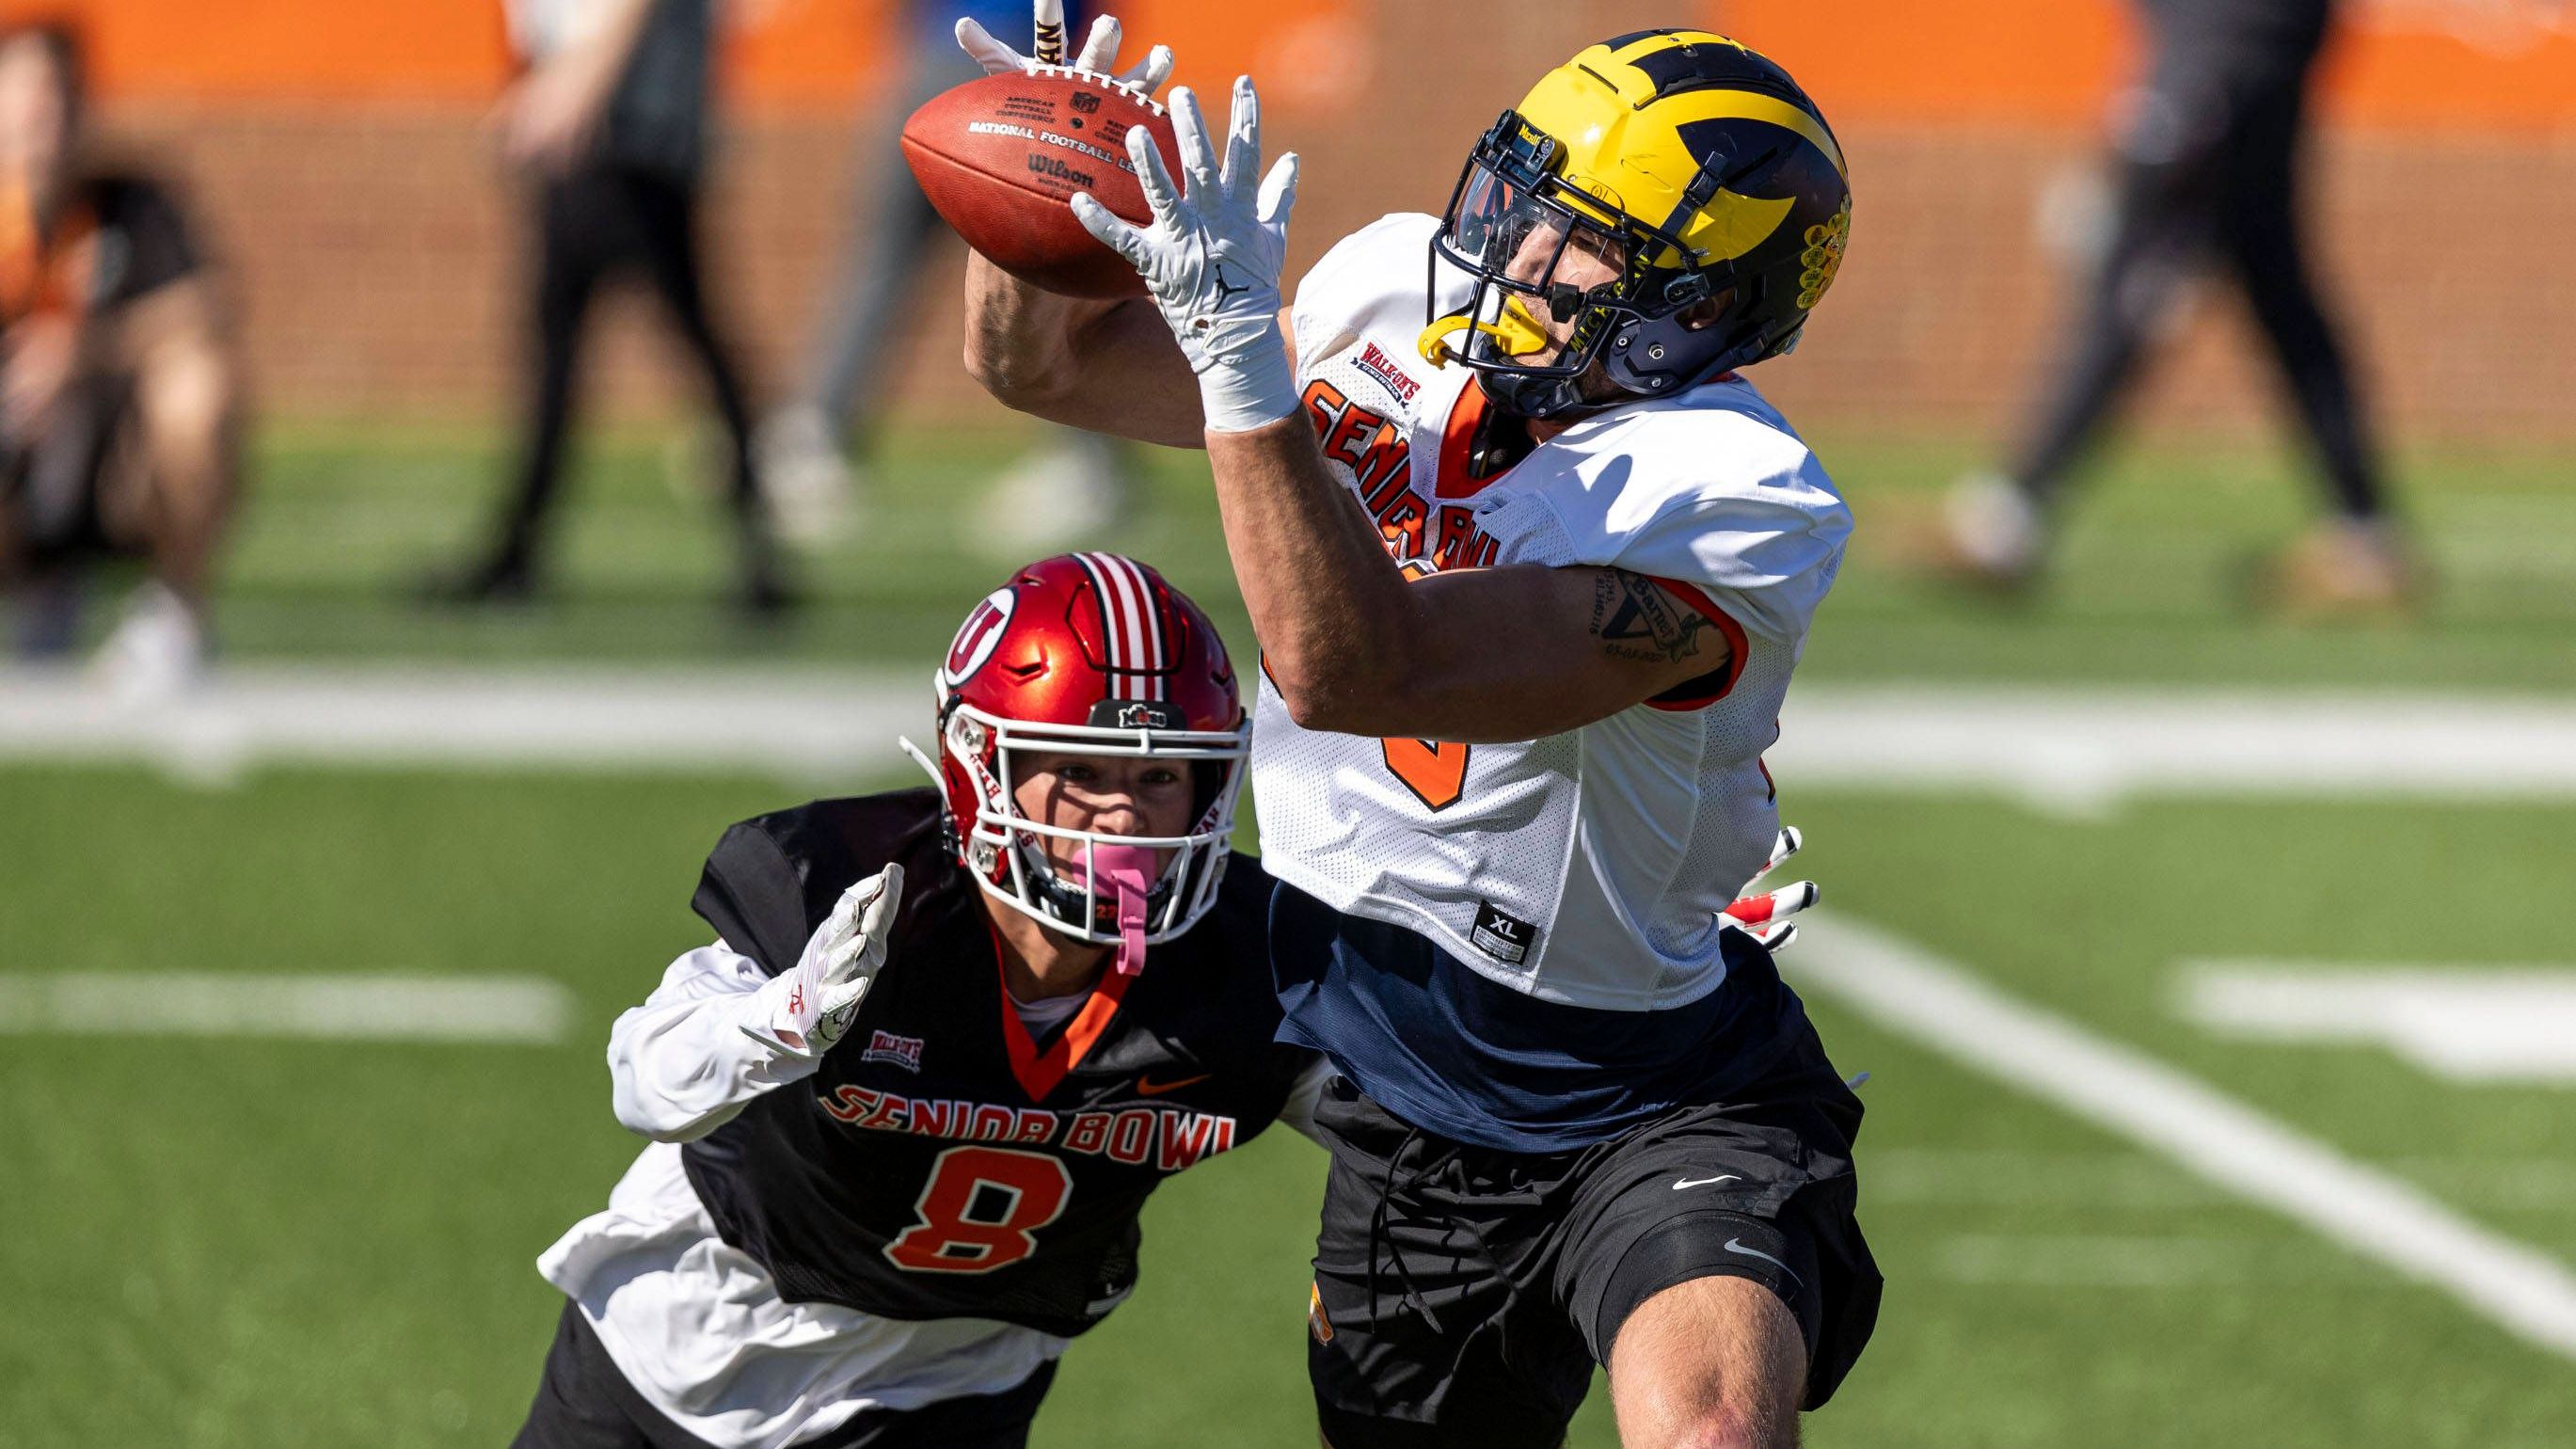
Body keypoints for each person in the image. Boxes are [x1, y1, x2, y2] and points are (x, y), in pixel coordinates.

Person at [964, 15, 1873, 1449]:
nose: (1509, 253)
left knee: (1708, 1431)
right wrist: (1045, 179)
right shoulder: (1393, 291)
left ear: (1697, 302)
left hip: (1640, 1083)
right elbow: (1047, 368)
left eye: (1575, 240)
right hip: (1374, 1031)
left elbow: (1352, 666)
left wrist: (1238, 367)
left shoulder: (1732, 497)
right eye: (1514, 196)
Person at [511, 551, 1323, 1449]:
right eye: (1082, 771)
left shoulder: (1255, 963)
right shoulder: (854, 892)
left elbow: (1416, 1137)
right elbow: (646, 1079)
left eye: (1160, 777)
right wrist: (784, 1021)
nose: (1123, 818)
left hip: (951, 1382)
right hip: (693, 1328)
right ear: (982, 767)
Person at [1940, 0, 2413, 613]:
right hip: (2230, 54)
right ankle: (2365, 536)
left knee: (2139, 279)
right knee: (2273, 289)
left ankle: (2008, 521)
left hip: (2224, 52)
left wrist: (2148, 141)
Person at [754, 0, 1147, 553]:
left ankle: (815, 437)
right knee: (1048, 262)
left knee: (1023, 260)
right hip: (1044, 71)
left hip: (986, 60)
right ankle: (1090, 459)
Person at [438, 0, 787, 614]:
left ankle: (519, 550)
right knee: (594, 338)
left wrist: (575, 88)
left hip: (625, 132)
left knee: (602, 338)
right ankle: (758, 551)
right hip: (621, 125)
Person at [0, 19, 241, 695]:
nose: (35, 116)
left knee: (198, 385)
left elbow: (207, 309)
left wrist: (83, 351)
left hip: (117, 474)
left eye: (51, 94)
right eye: (18, 95)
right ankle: (37, 584)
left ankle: (174, 614)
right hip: (16, 475)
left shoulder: (130, 203)